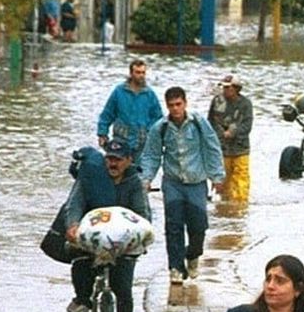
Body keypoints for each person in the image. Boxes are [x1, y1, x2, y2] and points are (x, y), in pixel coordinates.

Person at [60, 139, 151, 312]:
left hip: (124, 247)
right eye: (109, 158)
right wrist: (73, 226)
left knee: (123, 290)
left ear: (128, 161)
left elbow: (143, 215)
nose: (113, 163)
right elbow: (75, 204)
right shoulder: (91, 176)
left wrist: (137, 237)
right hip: (92, 242)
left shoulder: (135, 183)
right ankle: (82, 302)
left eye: (118, 160)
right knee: (80, 264)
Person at [138, 86, 225, 284]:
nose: (175, 109)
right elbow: (152, 155)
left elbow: (212, 147)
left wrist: (217, 176)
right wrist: (146, 178)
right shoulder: (160, 127)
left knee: (199, 225)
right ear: (167, 106)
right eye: (171, 106)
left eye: (178, 104)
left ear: (185, 103)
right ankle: (175, 268)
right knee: (174, 225)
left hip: (196, 182)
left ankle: (193, 256)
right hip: (173, 182)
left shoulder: (199, 123)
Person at [96, 60, 164, 164]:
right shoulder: (119, 91)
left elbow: (158, 118)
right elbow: (107, 114)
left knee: (139, 174)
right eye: (138, 72)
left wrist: (149, 131)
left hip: (141, 143)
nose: (141, 75)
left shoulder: (150, 94)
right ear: (131, 73)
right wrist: (102, 134)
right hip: (121, 140)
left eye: (143, 72)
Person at [207, 74, 254, 203]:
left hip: (240, 149)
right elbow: (210, 122)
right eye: (224, 87)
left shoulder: (245, 104)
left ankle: (240, 208)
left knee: (241, 183)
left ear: (236, 89)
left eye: (229, 88)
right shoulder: (217, 101)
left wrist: (232, 132)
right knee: (223, 183)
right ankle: (225, 210)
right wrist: (220, 134)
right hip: (221, 149)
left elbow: (247, 126)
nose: (225, 90)